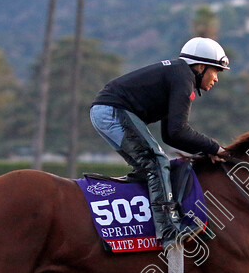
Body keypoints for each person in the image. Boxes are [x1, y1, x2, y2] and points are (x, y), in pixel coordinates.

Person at [89, 37, 230, 248]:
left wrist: (206, 149)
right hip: (113, 110)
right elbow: (179, 130)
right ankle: (168, 230)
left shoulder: (177, 74)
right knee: (157, 161)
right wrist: (214, 147)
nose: (216, 79)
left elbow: (171, 135)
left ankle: (144, 222)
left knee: (149, 167)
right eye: (215, 71)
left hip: (106, 110)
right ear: (200, 67)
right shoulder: (183, 77)